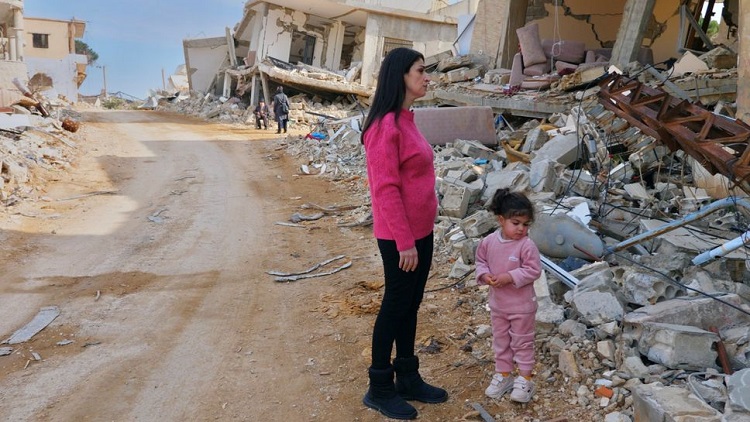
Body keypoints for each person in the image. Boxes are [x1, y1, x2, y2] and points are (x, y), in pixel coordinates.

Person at [360, 47, 446, 420]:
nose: (427, 77)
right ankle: (380, 387)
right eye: (420, 71)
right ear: (401, 76)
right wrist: (405, 243)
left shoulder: (406, 119)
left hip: (420, 233)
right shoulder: (384, 127)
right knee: (395, 305)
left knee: (411, 305)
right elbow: (385, 190)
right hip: (401, 239)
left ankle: (407, 376)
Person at [475, 188, 542, 403]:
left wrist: (510, 277)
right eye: (516, 223)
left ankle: (525, 379)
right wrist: (484, 275)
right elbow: (480, 262)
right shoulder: (488, 242)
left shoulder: (526, 245)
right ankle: (504, 374)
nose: (521, 229)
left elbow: (534, 270)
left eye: (526, 224)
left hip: (522, 307)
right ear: (501, 220)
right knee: (501, 340)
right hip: (498, 305)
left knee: (522, 342)